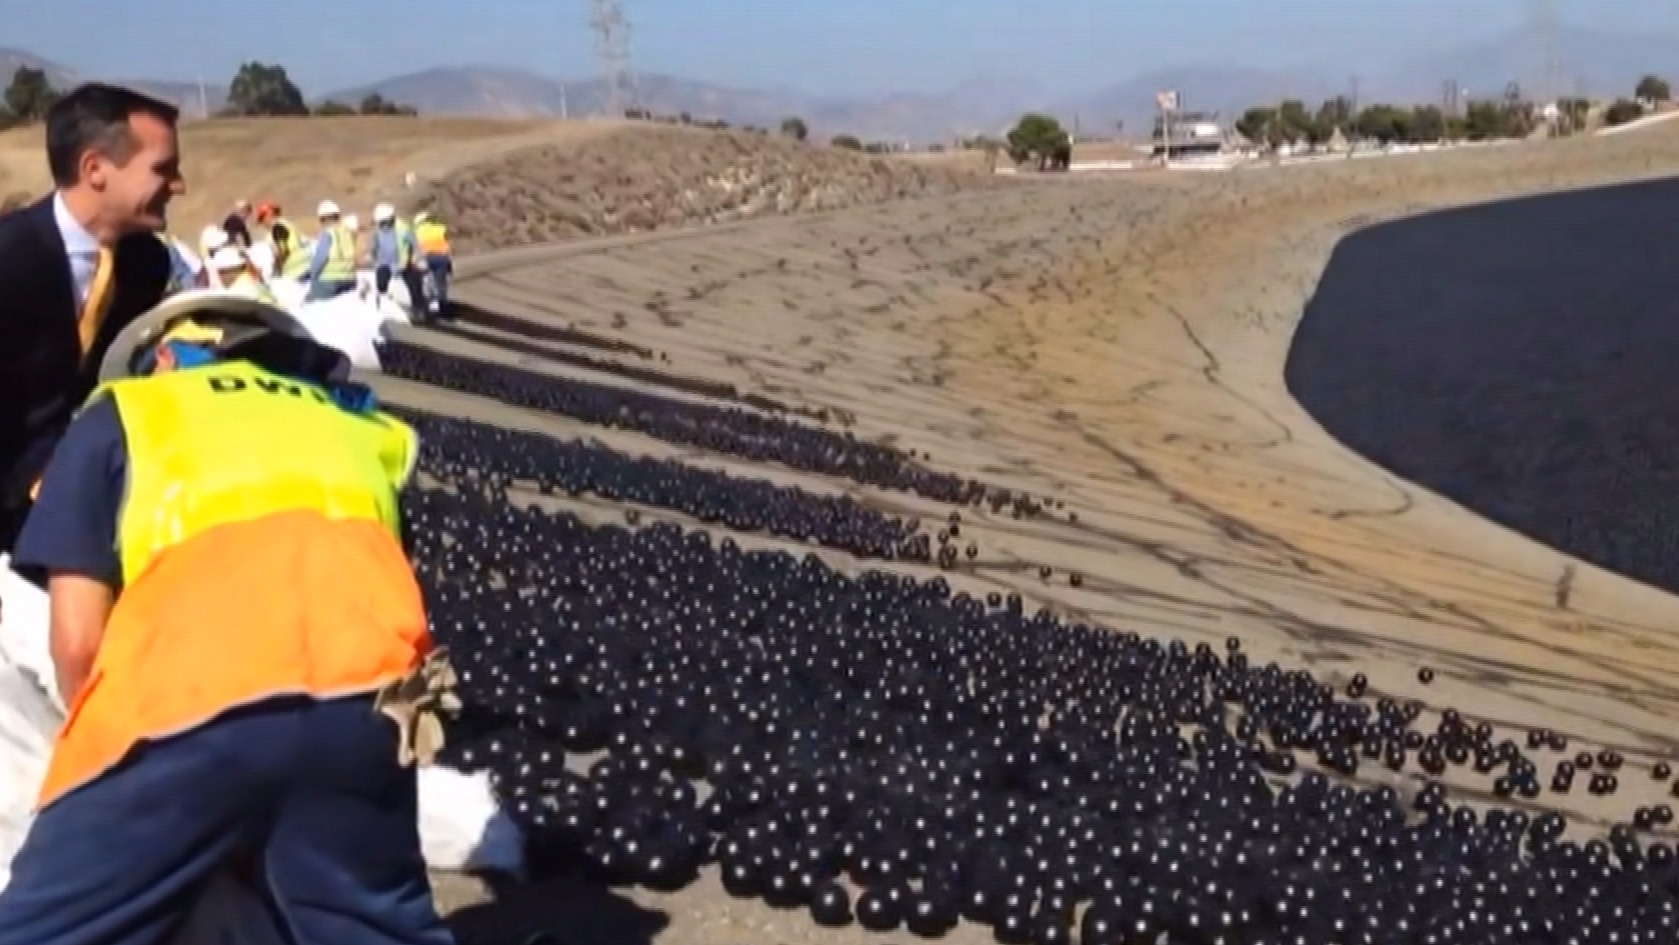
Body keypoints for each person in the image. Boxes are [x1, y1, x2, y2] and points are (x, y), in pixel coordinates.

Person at [0, 288, 455, 945]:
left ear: (161, 356)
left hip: (178, 703)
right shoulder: (358, 427)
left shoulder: (127, 413)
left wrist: (117, 787)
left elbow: (77, 644)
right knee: (367, 926)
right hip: (368, 708)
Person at [0, 83, 181, 554]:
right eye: (164, 169)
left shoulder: (147, 264)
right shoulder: (9, 260)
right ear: (94, 169)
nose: (178, 185)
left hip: (94, 507)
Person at [371, 202, 426, 315]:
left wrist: (417, 257)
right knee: (381, 281)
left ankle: (419, 308)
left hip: (403, 262)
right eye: (381, 222)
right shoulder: (378, 231)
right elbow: (374, 247)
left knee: (414, 282)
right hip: (385, 263)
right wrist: (374, 259)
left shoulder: (402, 228)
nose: (383, 225)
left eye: (385, 221)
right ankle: (381, 305)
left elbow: (415, 244)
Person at [305, 199, 357, 301]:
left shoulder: (328, 233)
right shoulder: (347, 232)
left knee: (312, 303)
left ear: (322, 218)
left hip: (329, 281)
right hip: (349, 279)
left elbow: (320, 258)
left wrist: (312, 274)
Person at [414, 210, 453, 318]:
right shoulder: (441, 227)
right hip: (441, 258)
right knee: (441, 284)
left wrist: (416, 260)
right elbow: (447, 244)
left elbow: (417, 246)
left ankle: (428, 307)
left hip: (427, 258)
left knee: (427, 284)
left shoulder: (418, 230)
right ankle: (443, 308)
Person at [209, 244, 276, 304]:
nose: (225, 275)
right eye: (221, 272)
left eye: (229, 270)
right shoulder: (216, 289)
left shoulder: (246, 287)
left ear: (239, 269)